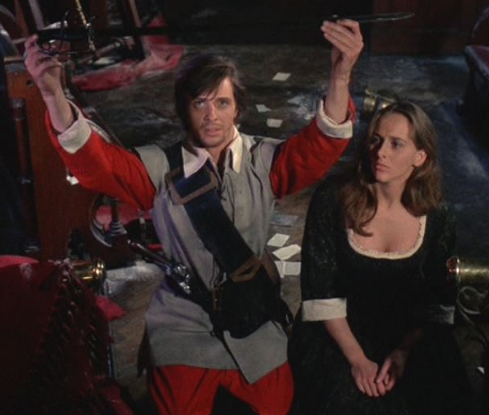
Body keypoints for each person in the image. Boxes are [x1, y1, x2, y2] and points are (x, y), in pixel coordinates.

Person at [24, 18, 363, 415]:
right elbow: (95, 163)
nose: (211, 116)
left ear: (238, 108)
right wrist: (52, 93)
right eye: (199, 103)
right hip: (182, 322)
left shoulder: (264, 160)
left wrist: (341, 74)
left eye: (222, 103)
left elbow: (322, 143)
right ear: (184, 109)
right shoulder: (157, 167)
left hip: (253, 319)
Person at [289, 102, 475, 415]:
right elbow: (319, 292)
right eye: (376, 140)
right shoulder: (333, 199)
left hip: (406, 333)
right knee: (344, 400)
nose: (380, 152)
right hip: (340, 331)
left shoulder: (437, 214)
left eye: (396, 144)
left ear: (420, 157)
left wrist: (404, 350)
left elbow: (437, 300)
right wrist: (357, 360)